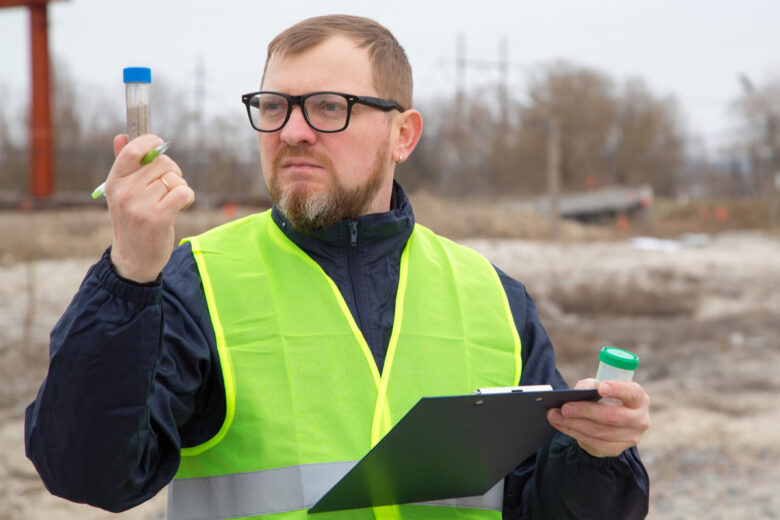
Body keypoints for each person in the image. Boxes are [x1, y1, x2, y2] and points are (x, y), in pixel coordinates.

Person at [25, 14, 650, 520]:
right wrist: (129, 273)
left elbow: (544, 507)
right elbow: (87, 473)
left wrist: (598, 453)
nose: (292, 131)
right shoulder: (193, 284)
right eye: (273, 106)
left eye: (328, 107)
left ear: (403, 135)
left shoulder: (492, 297)